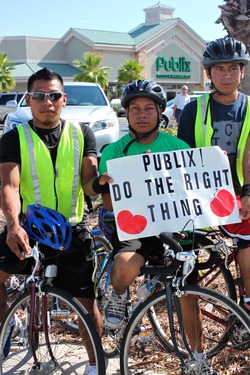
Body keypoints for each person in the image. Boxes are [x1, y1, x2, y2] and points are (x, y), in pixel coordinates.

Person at [98, 79, 218, 373]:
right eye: (135, 109)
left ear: (160, 112)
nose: (141, 114)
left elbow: (194, 189)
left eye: (148, 108)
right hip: (137, 229)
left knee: (187, 292)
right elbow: (111, 205)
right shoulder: (114, 151)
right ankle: (120, 294)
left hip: (175, 226)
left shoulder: (177, 146)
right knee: (125, 267)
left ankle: (199, 359)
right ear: (126, 114)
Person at [0, 67, 107, 375]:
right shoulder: (13, 138)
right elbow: (9, 185)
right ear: (28, 99)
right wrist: (12, 224)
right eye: (38, 96)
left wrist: (99, 185)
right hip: (27, 228)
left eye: (53, 96)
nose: (46, 102)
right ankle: (7, 320)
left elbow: (88, 183)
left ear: (63, 99)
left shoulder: (82, 133)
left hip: (71, 229)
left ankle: (93, 365)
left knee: (88, 305)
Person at [178, 36, 250, 316]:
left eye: (233, 68)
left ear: (242, 71)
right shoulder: (193, 110)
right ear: (209, 73)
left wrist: (247, 193)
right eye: (219, 69)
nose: (227, 75)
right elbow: (181, 157)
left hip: (241, 192)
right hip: (204, 195)